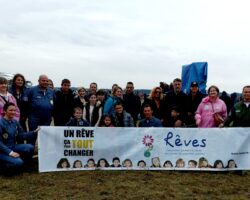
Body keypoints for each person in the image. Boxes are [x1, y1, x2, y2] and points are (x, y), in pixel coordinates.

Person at [0, 103, 39, 174]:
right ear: (5, 111)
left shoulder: (15, 122)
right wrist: (10, 153)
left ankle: (25, 164)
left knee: (30, 147)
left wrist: (33, 132)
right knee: (18, 162)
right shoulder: (0, 123)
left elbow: (21, 135)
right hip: (2, 151)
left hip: (12, 146)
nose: (13, 112)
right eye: (10, 110)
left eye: (14, 110)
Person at [26, 75, 54, 144]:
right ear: (38, 81)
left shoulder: (51, 91)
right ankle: (30, 152)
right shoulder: (32, 90)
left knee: (44, 137)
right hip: (34, 119)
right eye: (43, 80)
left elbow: (54, 103)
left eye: (47, 81)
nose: (45, 82)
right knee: (32, 136)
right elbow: (26, 104)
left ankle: (43, 153)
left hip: (47, 119)